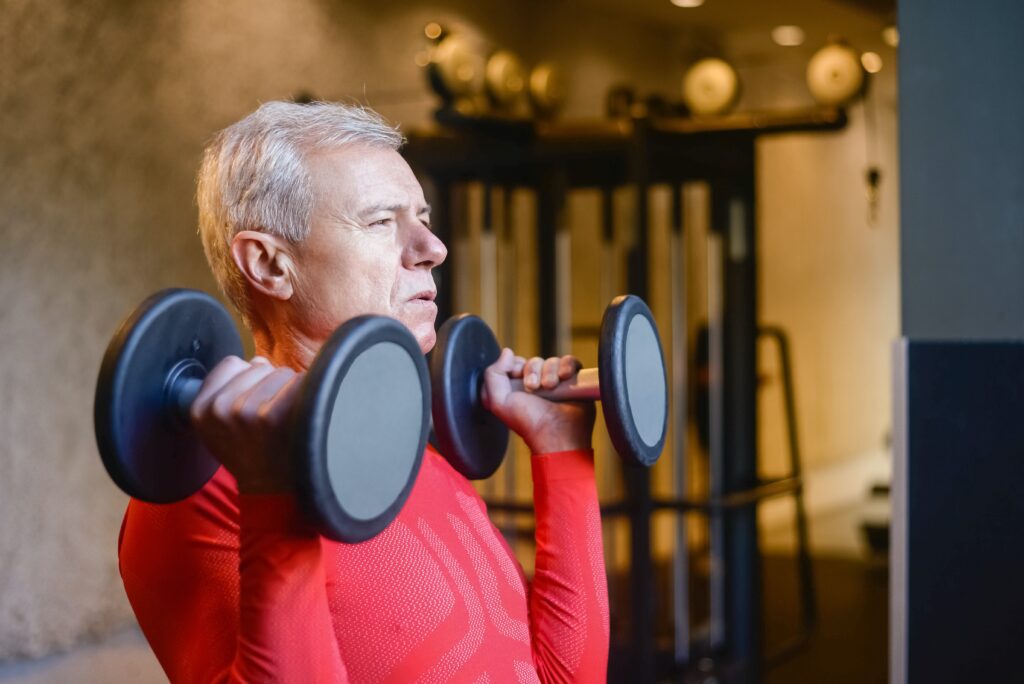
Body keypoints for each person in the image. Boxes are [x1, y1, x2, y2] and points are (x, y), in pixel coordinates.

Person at [118, 101, 609, 683]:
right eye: (381, 222)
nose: (433, 247)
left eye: (422, 217)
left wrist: (562, 455)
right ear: (270, 265)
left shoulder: (413, 460)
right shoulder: (202, 490)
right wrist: (275, 495)